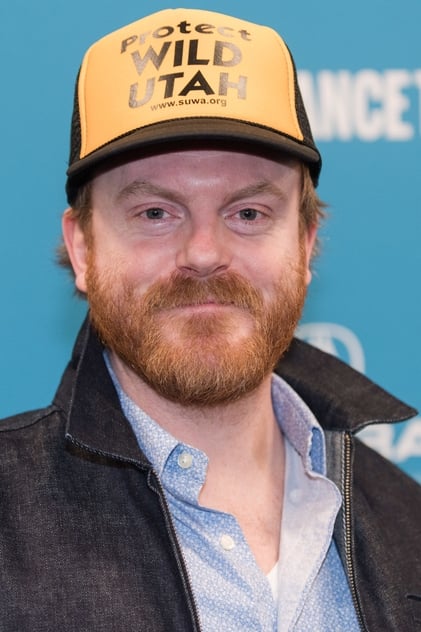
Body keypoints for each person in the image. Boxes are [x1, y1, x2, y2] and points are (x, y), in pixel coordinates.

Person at [0, 7, 420, 632]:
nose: (203, 254)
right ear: (83, 248)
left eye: (248, 213)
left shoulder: (408, 524)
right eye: (154, 213)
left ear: (305, 245)